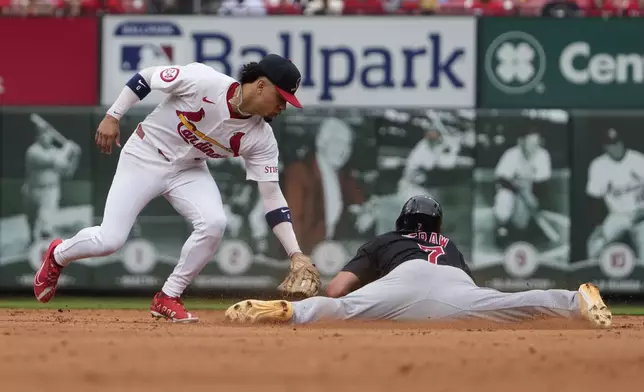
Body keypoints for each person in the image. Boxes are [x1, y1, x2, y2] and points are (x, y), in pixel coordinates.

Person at [33, 54, 321, 323]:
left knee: (214, 223)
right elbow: (146, 77)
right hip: (145, 155)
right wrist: (113, 115)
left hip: (189, 169)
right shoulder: (205, 81)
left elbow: (271, 196)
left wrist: (295, 252)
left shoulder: (261, 138)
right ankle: (58, 254)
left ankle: (168, 296)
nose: (283, 106)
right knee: (110, 240)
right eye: (281, 97)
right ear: (260, 85)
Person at [225, 195, 612, 329]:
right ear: (436, 226)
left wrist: (374, 288)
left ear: (402, 223)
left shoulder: (386, 239)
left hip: (403, 281)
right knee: (514, 305)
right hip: (455, 284)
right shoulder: (448, 243)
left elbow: (337, 287)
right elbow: (469, 286)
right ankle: (576, 299)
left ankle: (288, 312)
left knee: (339, 308)